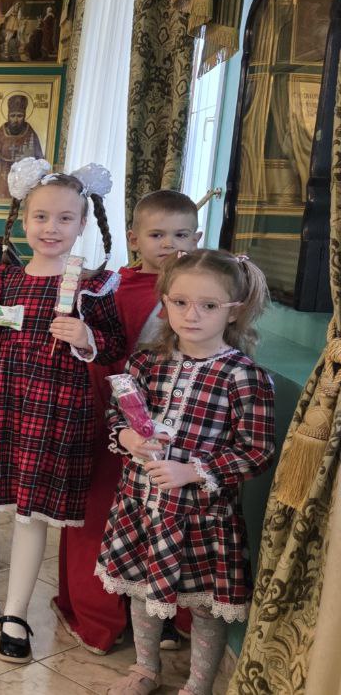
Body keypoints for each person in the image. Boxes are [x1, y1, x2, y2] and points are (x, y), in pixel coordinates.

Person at [0, 158, 125, 665]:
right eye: (41, 217)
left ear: (83, 222)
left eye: (65, 218)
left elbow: (114, 346)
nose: (51, 228)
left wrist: (86, 337)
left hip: (55, 407)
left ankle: (15, 613)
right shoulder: (5, 279)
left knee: (30, 515)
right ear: (23, 219)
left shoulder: (93, 284)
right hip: (1, 402)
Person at [100, 250, 275, 695]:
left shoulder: (244, 377)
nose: (191, 314)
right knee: (142, 589)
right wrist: (128, 438)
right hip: (142, 504)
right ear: (165, 302)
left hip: (203, 516)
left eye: (208, 305)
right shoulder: (145, 363)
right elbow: (116, 416)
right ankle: (145, 668)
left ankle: (198, 685)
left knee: (206, 607)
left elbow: (256, 452)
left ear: (234, 310)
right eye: (180, 302)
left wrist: (192, 471)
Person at [54, 190, 204, 654]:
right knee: (101, 516)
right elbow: (100, 353)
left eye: (181, 235)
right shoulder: (114, 288)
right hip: (115, 425)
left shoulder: (206, 288)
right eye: (157, 235)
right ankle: (100, 614)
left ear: (197, 237)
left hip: (178, 429)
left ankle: (164, 614)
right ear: (134, 239)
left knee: (167, 521)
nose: (169, 244)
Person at [0, 95, 45, 197]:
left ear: (24, 116)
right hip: (2, 180)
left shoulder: (30, 134)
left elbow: (40, 164)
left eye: (19, 116)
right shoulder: (0, 134)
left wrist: (30, 158)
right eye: (13, 116)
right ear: (8, 116)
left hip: (23, 180)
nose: (15, 120)